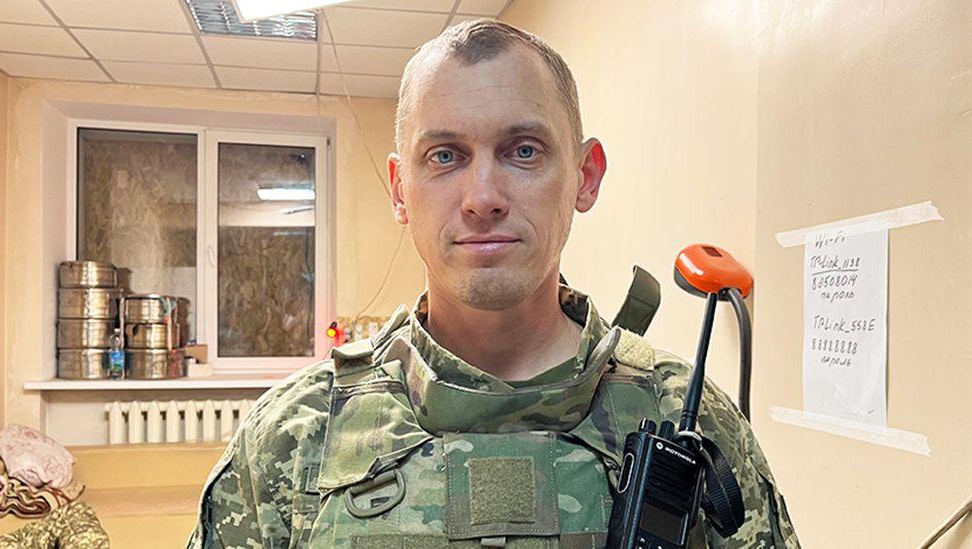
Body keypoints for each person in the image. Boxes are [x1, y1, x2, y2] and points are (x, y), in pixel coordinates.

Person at [187, 19, 799, 548]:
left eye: (523, 151)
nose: (482, 198)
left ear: (585, 177)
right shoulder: (296, 436)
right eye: (445, 156)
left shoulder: (690, 425)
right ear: (400, 190)